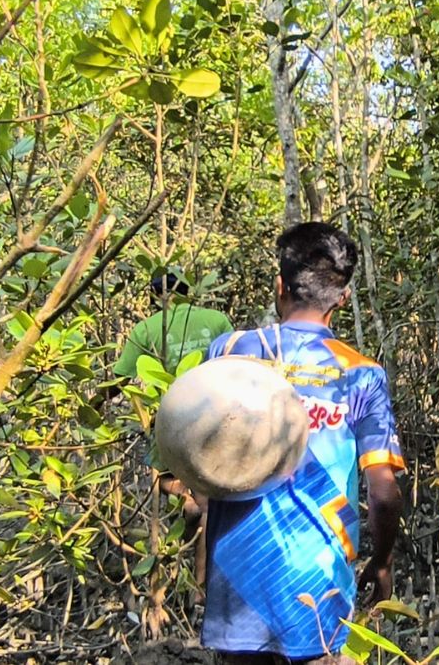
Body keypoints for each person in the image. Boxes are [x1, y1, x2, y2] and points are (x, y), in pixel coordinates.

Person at [199, 222, 404, 664]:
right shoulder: (362, 373)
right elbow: (384, 493)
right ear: (342, 299)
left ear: (280, 286)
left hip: (238, 580)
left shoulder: (228, 352)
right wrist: (382, 561)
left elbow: (197, 449)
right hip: (319, 583)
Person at [106, 273, 234, 544]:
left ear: (155, 296)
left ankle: (185, 499)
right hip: (217, 417)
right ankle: (201, 560)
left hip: (171, 418)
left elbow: (120, 379)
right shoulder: (216, 320)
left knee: (163, 477)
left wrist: (93, 404)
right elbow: (236, 361)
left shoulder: (145, 329)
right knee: (211, 496)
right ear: (187, 291)